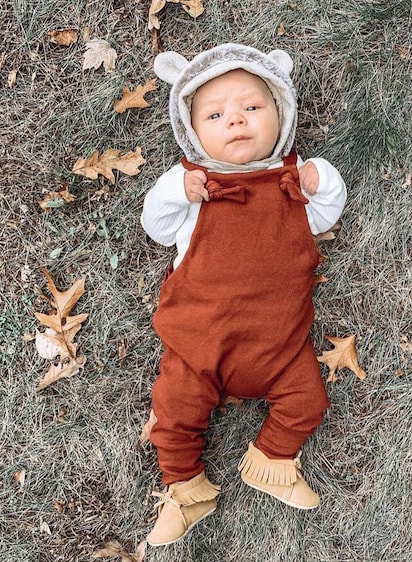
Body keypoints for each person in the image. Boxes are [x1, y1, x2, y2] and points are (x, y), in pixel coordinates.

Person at [141, 43, 347, 547]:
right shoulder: (193, 184)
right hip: (199, 342)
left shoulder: (293, 183)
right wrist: (177, 191)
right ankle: (186, 494)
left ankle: (272, 461)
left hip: (281, 344)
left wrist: (323, 182)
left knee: (307, 402)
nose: (236, 120)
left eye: (252, 107)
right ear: (192, 132)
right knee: (172, 414)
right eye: (215, 114)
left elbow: (326, 215)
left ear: (281, 113)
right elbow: (156, 227)